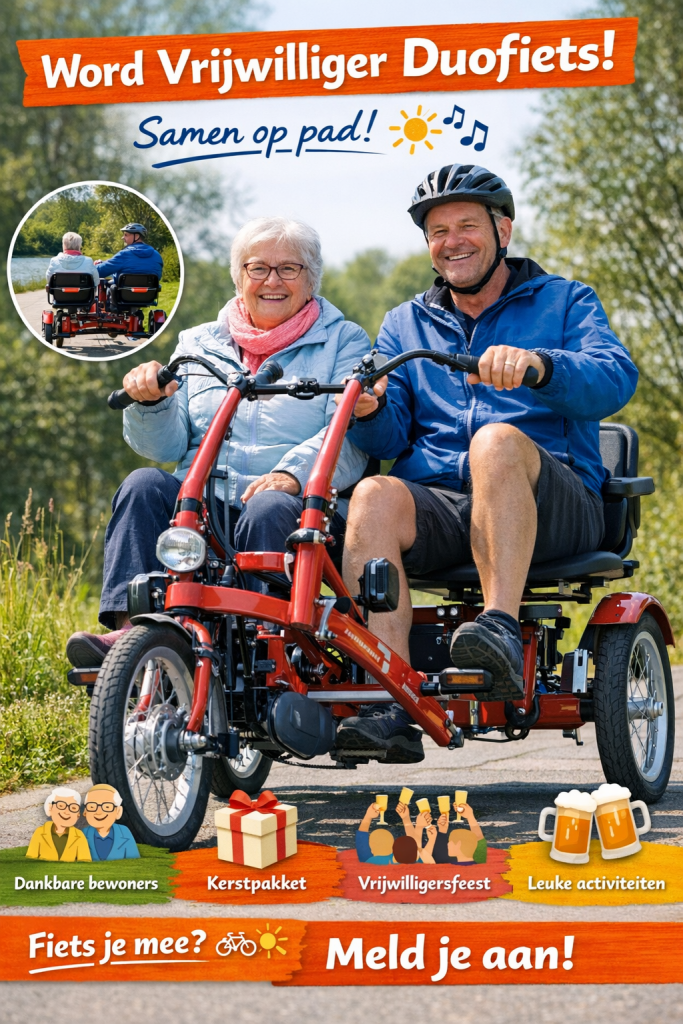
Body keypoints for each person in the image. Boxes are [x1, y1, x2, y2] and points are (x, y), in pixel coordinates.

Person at [333, 163, 639, 764]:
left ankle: (497, 628)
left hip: (554, 502)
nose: (452, 242)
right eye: (438, 231)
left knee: (496, 442)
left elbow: (615, 378)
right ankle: (391, 699)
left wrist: (542, 367)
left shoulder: (566, 300)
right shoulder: (405, 323)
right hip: (447, 505)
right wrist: (370, 408)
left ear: (503, 229)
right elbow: (393, 429)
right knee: (372, 495)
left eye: (467, 225)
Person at [67, 217, 369, 666]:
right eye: (258, 268)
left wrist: (291, 475)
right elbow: (166, 448)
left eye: (289, 269)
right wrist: (150, 403)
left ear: (311, 280)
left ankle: (268, 644)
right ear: (238, 277)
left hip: (296, 507)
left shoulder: (345, 341)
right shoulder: (197, 343)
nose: (272, 281)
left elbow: (350, 438)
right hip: (205, 505)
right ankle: (134, 639)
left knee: (269, 508)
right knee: (143, 486)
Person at [26, 787, 91, 862]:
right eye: (60, 806)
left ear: (78, 814)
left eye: (73, 808)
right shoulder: (40, 832)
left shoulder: (79, 836)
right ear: (50, 808)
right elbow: (30, 859)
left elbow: (85, 861)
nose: (66, 812)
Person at [82, 784, 140, 861]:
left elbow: (135, 861)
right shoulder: (82, 834)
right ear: (85, 811)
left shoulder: (124, 832)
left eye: (107, 807)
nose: (98, 812)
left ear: (118, 812)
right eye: (92, 807)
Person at [94, 222, 163, 283]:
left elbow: (99, 272)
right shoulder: (156, 255)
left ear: (136, 236)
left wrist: (94, 266)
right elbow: (158, 277)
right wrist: (103, 263)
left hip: (122, 297)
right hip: (148, 296)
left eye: (126, 235)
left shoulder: (124, 254)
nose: (122, 237)